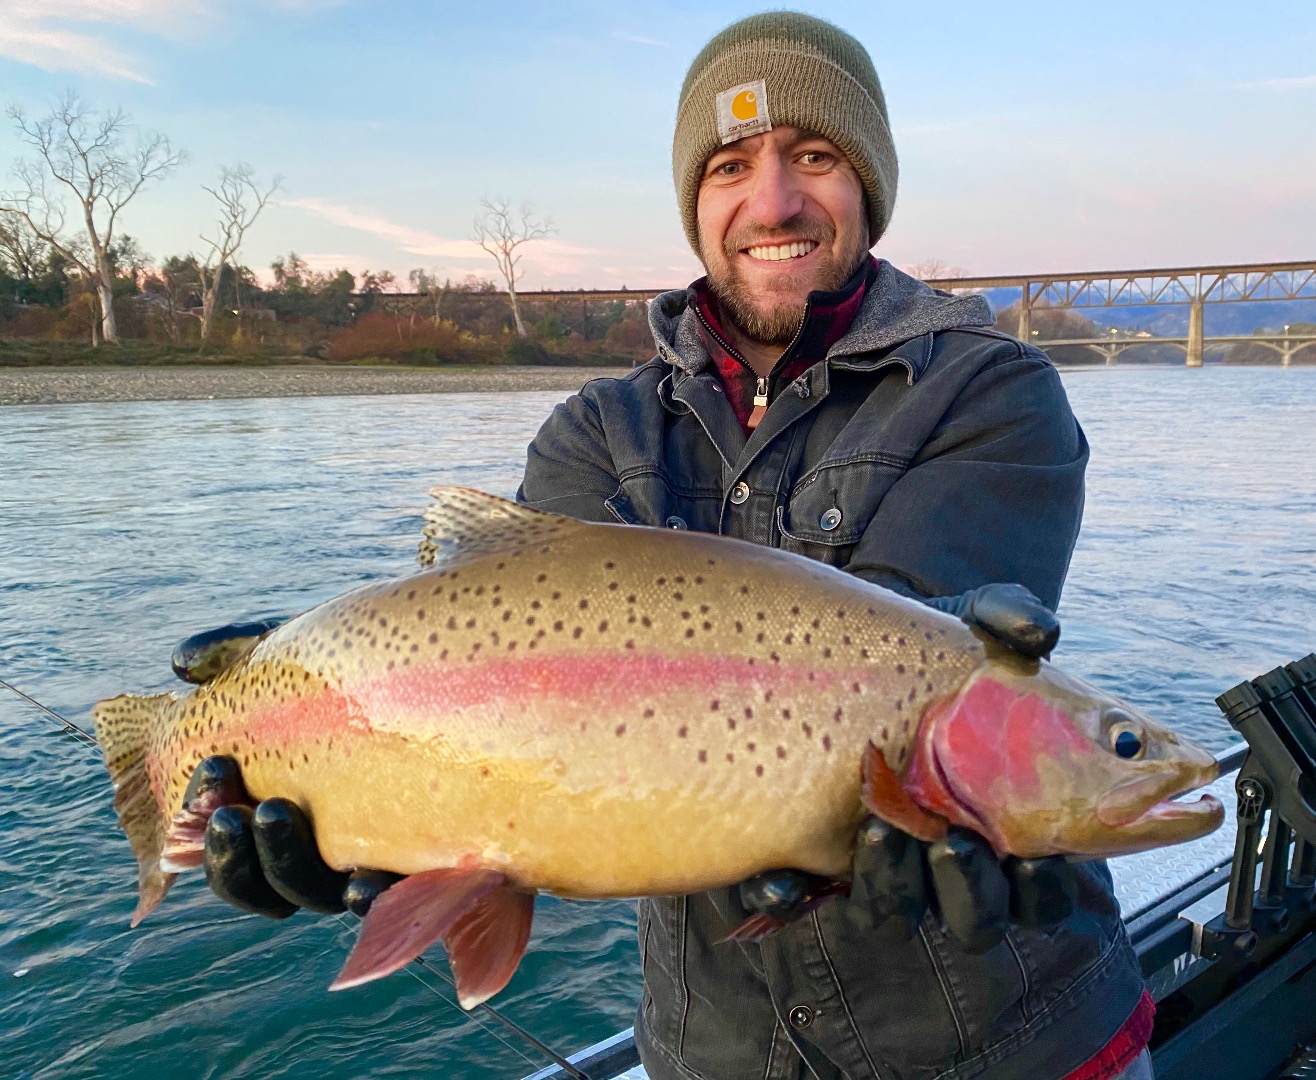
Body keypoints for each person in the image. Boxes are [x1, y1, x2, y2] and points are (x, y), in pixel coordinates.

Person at [179, 13, 1154, 1079]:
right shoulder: (596, 431)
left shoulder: (988, 389)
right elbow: (498, 703)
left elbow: (902, 679)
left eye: (814, 157)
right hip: (713, 1052)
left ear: (869, 185)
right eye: (731, 166)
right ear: (696, 203)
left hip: (1017, 1042)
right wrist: (329, 754)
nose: (773, 201)